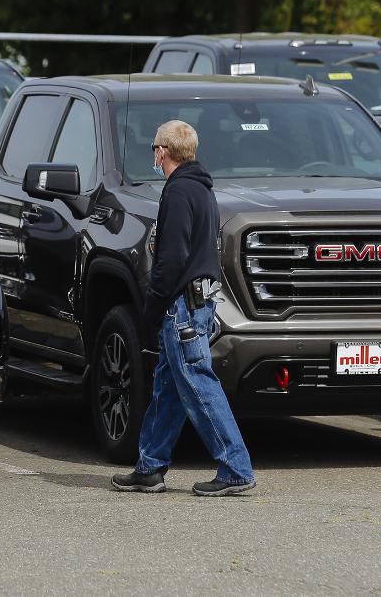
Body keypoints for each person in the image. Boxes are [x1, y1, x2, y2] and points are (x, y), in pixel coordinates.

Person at [112, 120, 256, 496]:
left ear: (163, 152)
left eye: (154, 150)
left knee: (197, 383)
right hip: (201, 302)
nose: (154, 157)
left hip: (181, 307)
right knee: (168, 387)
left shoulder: (177, 193)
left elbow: (171, 260)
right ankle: (150, 466)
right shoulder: (202, 189)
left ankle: (235, 467)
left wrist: (151, 309)